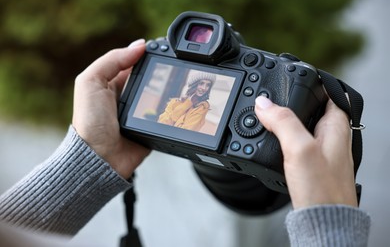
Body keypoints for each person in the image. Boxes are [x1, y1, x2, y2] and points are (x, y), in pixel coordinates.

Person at [0, 39, 370, 246]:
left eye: (202, 85)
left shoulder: (198, 108)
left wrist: (92, 158)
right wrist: (332, 227)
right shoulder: (178, 102)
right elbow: (173, 115)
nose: (198, 86)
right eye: (196, 83)